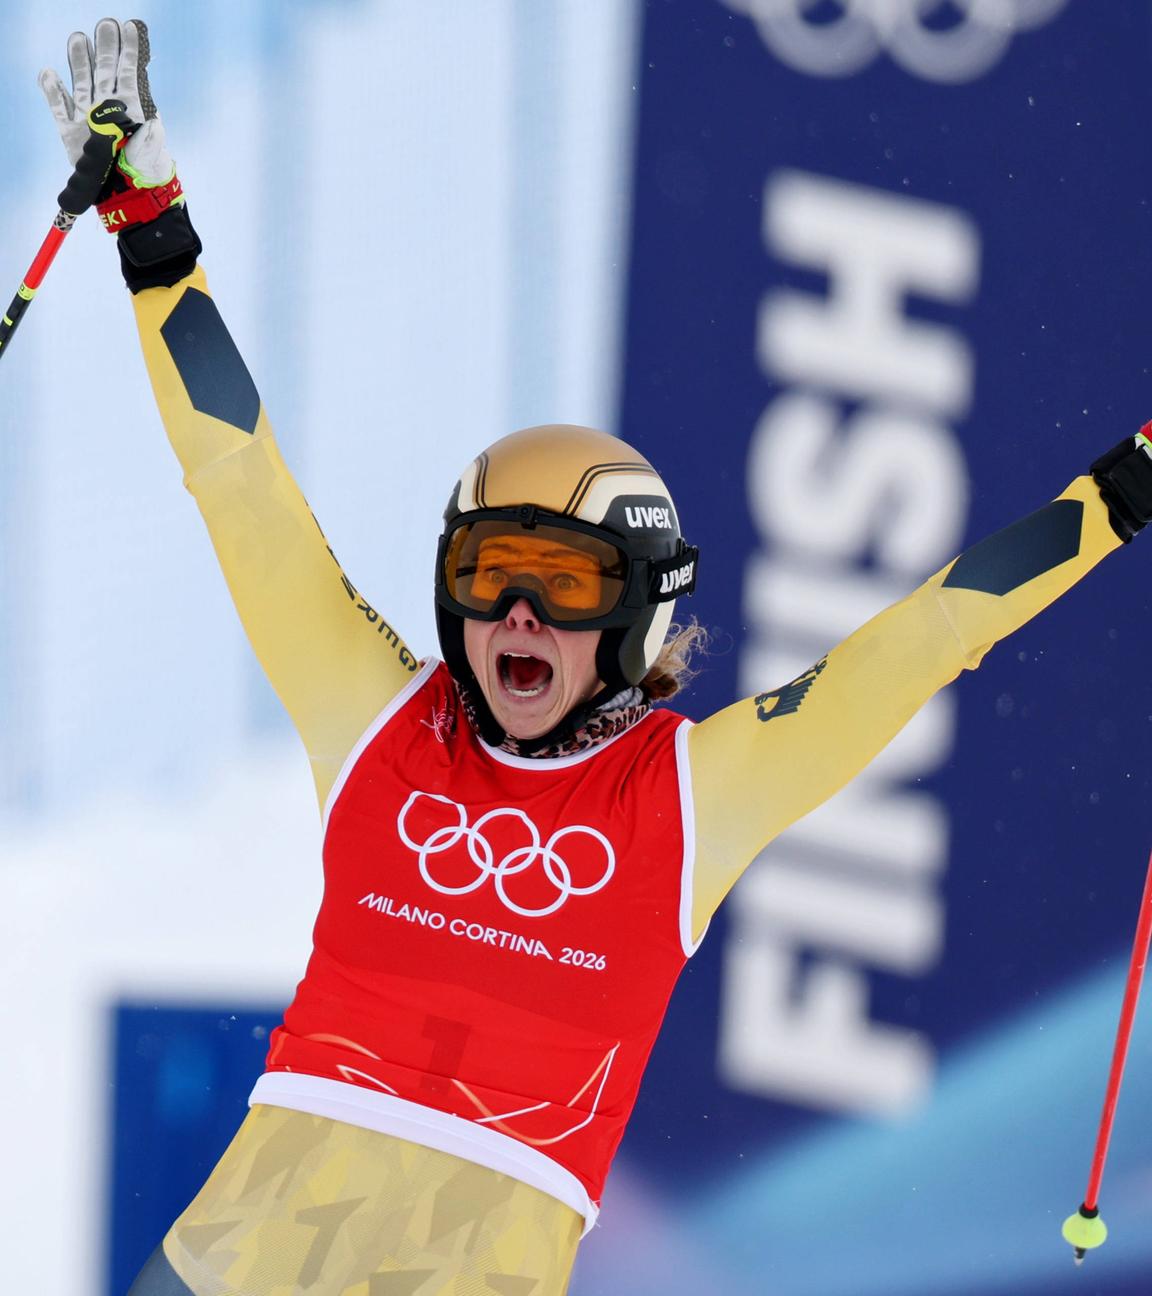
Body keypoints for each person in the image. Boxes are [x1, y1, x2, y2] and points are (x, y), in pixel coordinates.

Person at [39, 18, 1152, 1296]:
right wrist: (152, 227)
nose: (514, 614)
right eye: (485, 576)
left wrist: (1125, 491)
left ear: (632, 621)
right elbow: (239, 480)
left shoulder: (694, 796)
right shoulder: (375, 723)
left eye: (561, 586)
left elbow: (934, 632)